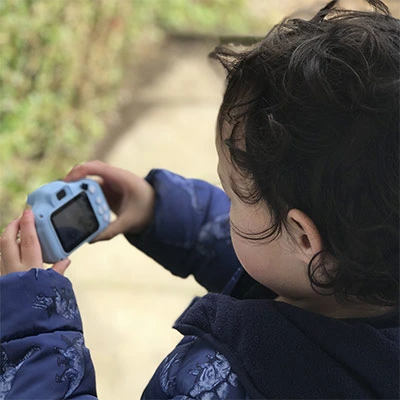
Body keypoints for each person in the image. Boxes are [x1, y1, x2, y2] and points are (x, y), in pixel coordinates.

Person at [0, 0, 398, 398]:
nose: (229, 208)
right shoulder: (367, 280)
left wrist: (34, 334)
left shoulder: (219, 381)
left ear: (304, 236)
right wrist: (162, 211)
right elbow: (291, 264)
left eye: (233, 194)